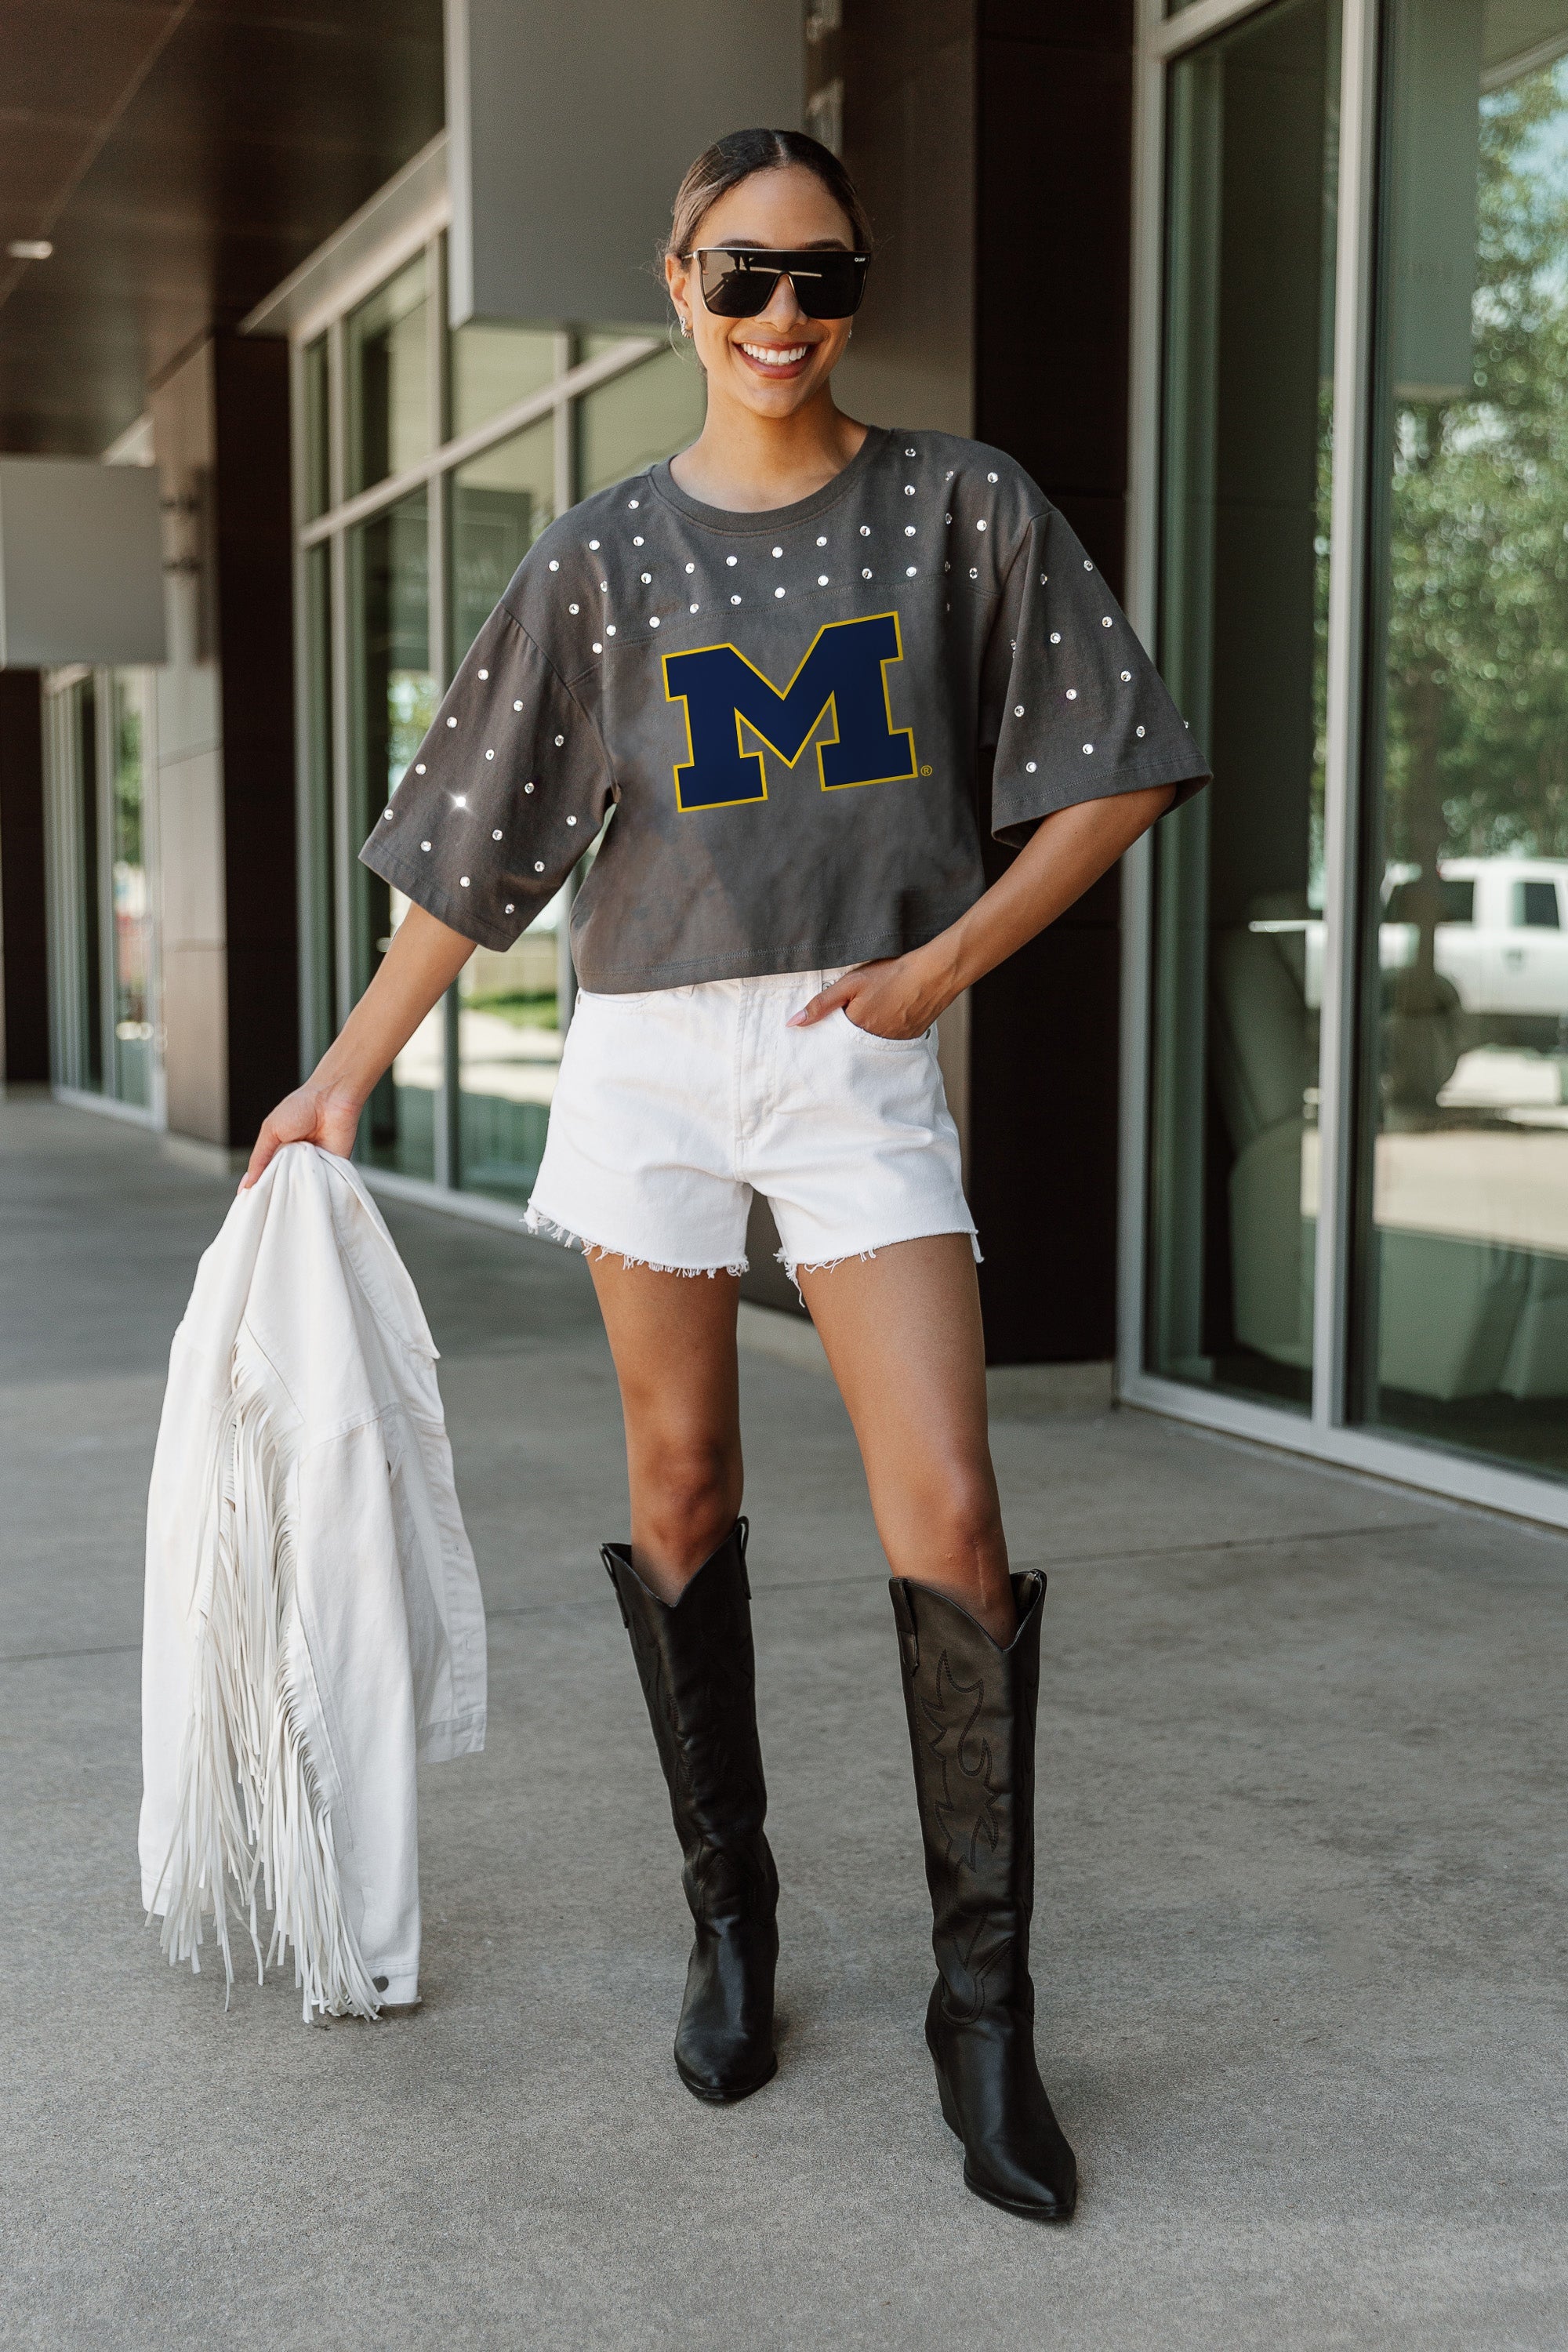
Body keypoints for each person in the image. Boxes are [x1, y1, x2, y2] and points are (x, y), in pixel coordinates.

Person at [243, 126, 1208, 2223]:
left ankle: (984, 2016)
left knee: (951, 1502)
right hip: (653, 1060)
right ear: (677, 284)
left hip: (859, 1054)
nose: (788, 319)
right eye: (746, 278)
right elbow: (475, 866)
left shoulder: (964, 505)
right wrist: (337, 1076)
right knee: (681, 1487)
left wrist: (948, 961)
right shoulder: (597, 557)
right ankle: (734, 1926)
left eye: (826, 278)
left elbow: (1118, 766)